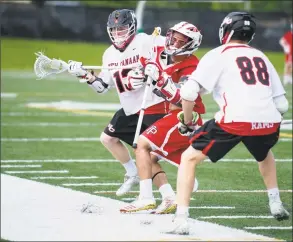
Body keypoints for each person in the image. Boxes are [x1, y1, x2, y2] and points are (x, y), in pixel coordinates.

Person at [166, 12, 290, 235]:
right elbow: (282, 106)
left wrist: (186, 121)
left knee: (188, 158)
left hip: (234, 121)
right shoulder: (262, 56)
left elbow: (188, 92)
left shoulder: (218, 55)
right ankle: (275, 202)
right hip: (269, 122)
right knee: (264, 154)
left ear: (227, 30)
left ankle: (181, 218)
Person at [67, 9, 167, 197]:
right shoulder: (109, 54)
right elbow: (103, 87)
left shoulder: (145, 41)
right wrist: (85, 75)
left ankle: (184, 174)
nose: (117, 34)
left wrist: (152, 71)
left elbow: (168, 52)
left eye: (122, 29)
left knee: (159, 151)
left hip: (152, 105)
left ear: (132, 27)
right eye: (114, 30)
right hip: (130, 109)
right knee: (108, 138)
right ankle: (132, 173)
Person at [120, 21, 205, 214]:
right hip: (174, 115)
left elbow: (183, 98)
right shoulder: (172, 59)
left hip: (185, 118)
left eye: (179, 41)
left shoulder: (191, 67)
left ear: (190, 44)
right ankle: (169, 198)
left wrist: (159, 79)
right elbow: (150, 67)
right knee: (149, 158)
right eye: (172, 38)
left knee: (141, 145)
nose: (173, 42)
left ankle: (145, 198)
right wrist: (141, 72)